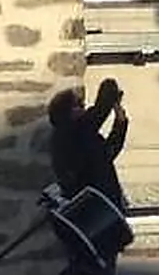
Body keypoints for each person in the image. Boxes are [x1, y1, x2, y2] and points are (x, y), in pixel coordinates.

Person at [49, 78, 130, 273]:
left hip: (104, 209)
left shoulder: (85, 135)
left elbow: (108, 153)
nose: (84, 110)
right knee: (90, 265)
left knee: (100, 264)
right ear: (67, 113)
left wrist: (120, 122)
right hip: (88, 213)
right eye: (79, 106)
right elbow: (100, 109)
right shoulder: (68, 134)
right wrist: (110, 91)